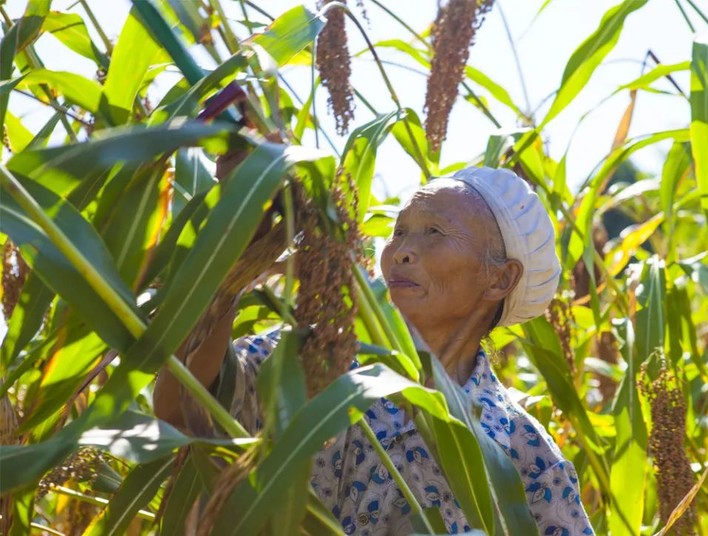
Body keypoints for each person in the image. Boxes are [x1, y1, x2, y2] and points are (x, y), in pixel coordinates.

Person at [154, 166, 594, 535]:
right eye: (399, 231)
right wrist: (234, 255)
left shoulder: (523, 452)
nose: (402, 251)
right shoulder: (310, 359)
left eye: (433, 233)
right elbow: (178, 408)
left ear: (499, 279)